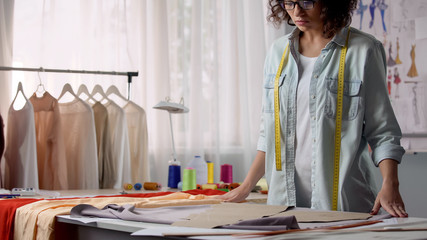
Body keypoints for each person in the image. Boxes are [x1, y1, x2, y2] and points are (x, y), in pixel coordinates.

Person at [217, 0, 408, 218]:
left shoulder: (364, 50)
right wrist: (247, 186)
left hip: (344, 203)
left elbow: (382, 132)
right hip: (284, 204)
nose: (297, 11)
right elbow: (269, 133)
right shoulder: (278, 52)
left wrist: (391, 183)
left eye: (307, 2)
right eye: (289, 2)